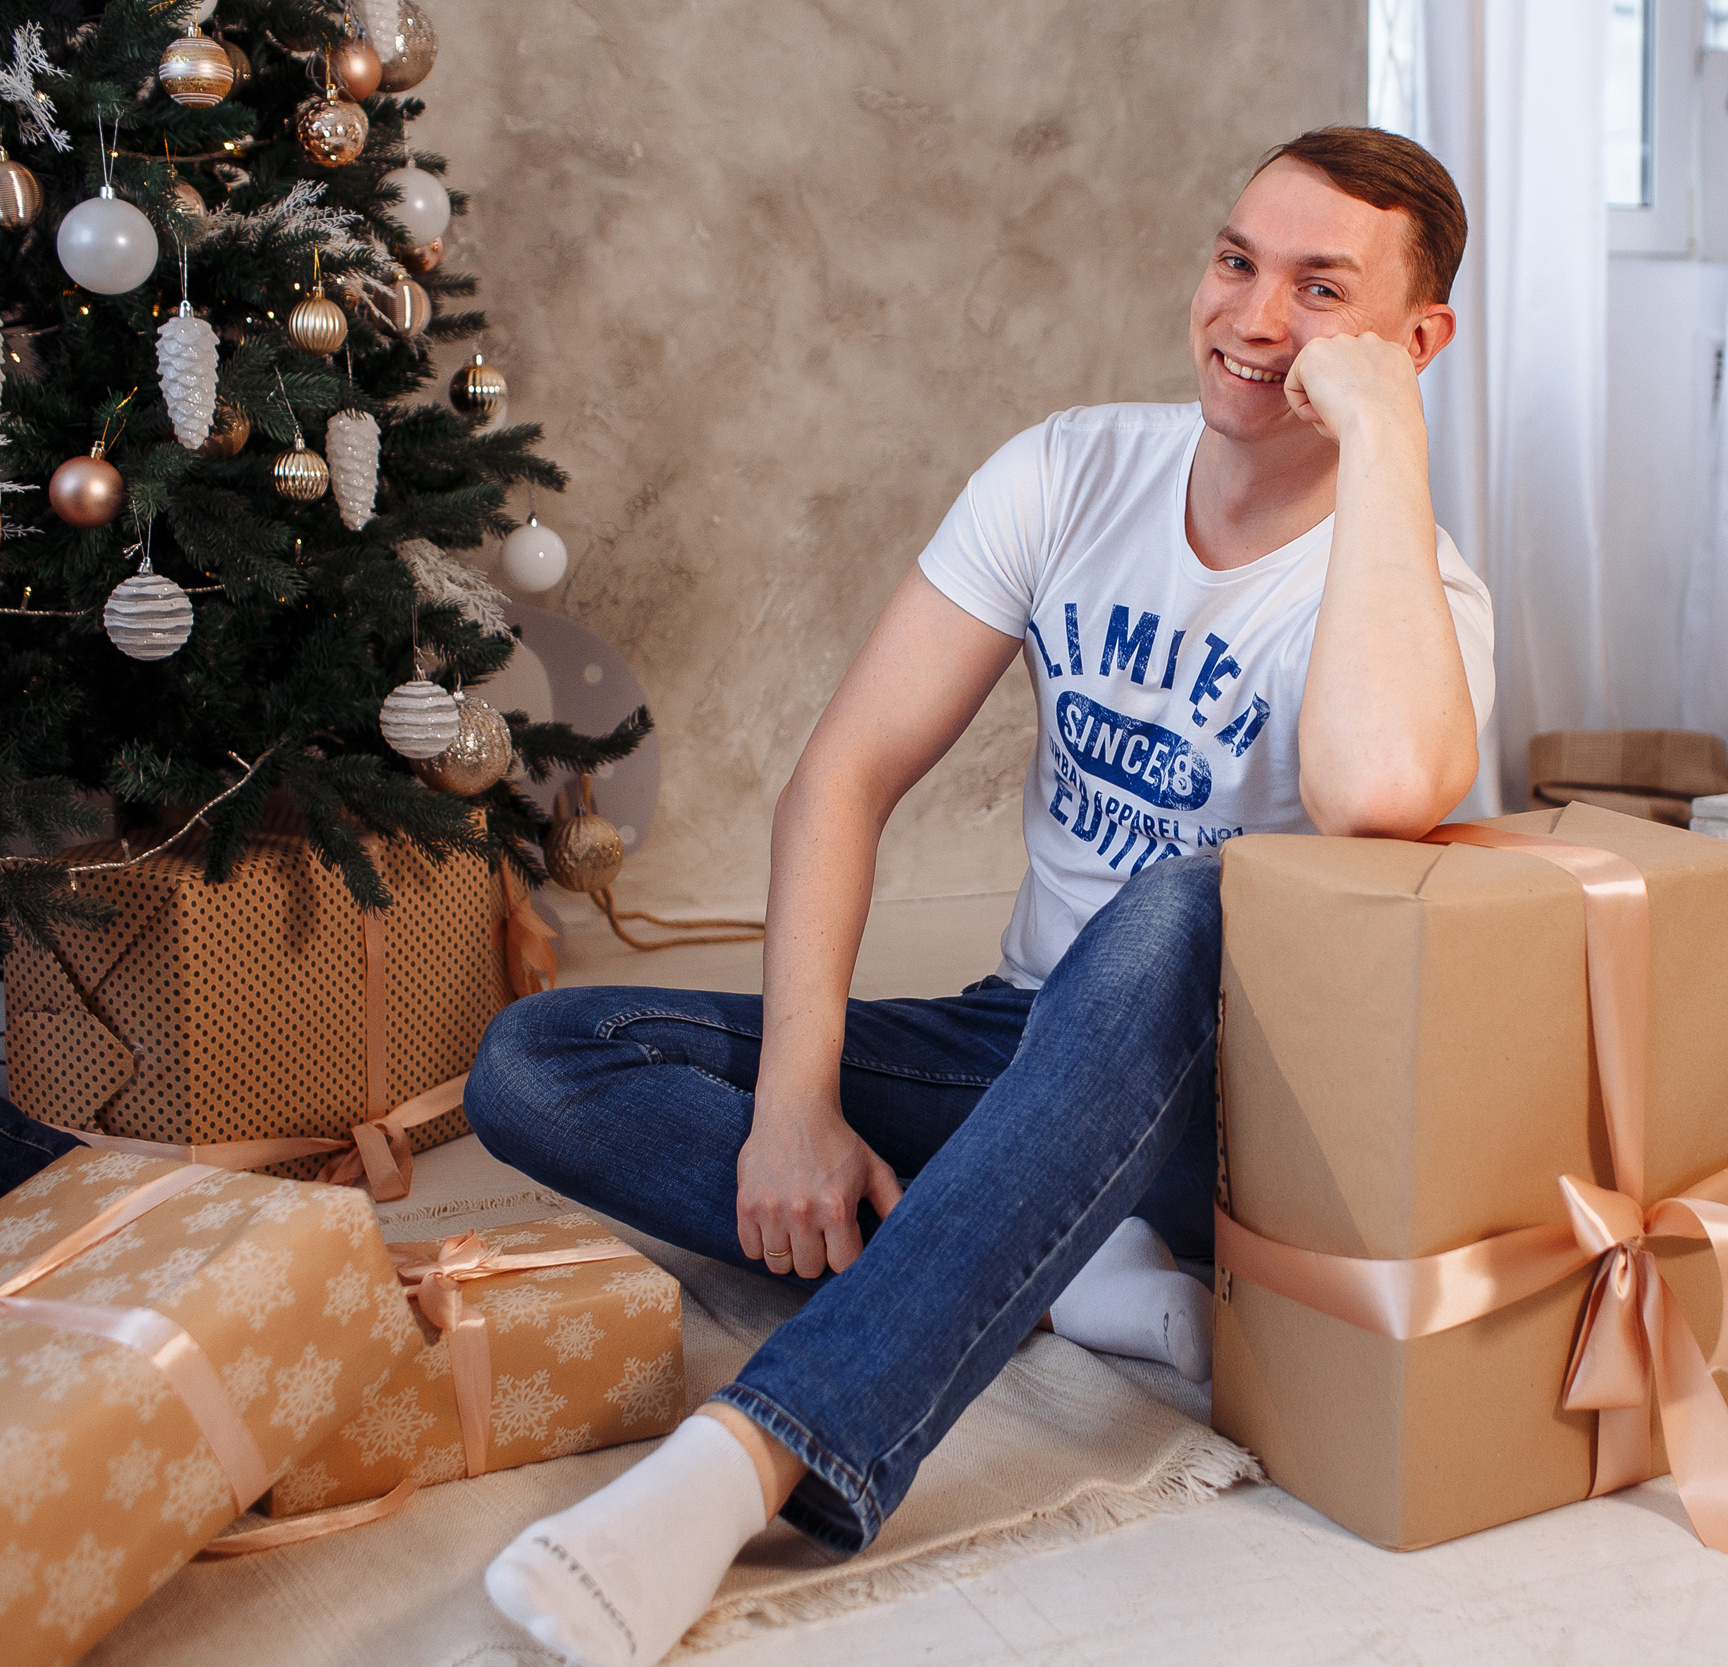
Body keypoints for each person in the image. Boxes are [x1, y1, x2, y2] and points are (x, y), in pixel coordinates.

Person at [467, 125, 1493, 1667]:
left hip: (1241, 1128)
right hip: (1022, 1047)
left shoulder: (1422, 588)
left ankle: (759, 1456)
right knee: (537, 1060)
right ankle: (1043, 1263)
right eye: (1236, 262)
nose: (1257, 319)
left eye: (1323, 292)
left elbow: (1375, 798)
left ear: (1417, 343)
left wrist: (1388, 442)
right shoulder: (1075, 469)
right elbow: (845, 777)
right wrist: (798, 1103)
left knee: (1183, 908)